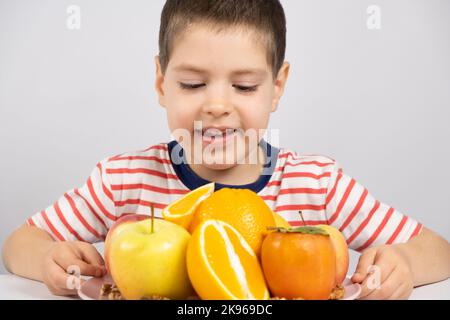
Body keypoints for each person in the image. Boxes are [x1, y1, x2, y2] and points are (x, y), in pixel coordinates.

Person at [2, 0, 449, 299]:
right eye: (193, 84)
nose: (217, 106)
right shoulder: (123, 180)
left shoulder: (318, 185)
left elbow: (439, 251)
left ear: (277, 88)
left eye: (245, 85)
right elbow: (20, 243)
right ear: (162, 83)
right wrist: (47, 259)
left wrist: (404, 262)